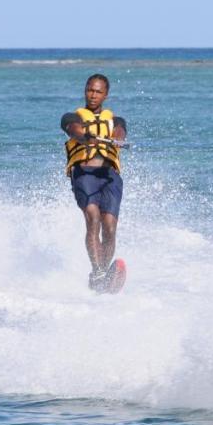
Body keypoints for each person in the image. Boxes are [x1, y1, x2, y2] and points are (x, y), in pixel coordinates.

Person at [61, 74, 127, 290]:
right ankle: (98, 272)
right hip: (84, 173)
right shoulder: (72, 117)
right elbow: (74, 130)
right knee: (93, 217)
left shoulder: (116, 121)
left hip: (109, 177)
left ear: (106, 95)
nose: (93, 95)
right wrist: (87, 137)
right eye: (90, 90)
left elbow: (120, 132)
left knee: (109, 227)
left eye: (98, 91)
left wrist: (117, 138)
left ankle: (103, 274)